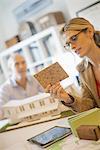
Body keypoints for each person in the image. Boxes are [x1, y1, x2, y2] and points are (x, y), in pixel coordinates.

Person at [46, 17, 100, 112]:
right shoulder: (82, 69)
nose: (72, 47)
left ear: (90, 32)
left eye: (74, 38)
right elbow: (90, 106)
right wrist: (67, 98)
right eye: (68, 44)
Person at [0, 53, 44, 118]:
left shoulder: (34, 79)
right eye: (16, 64)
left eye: (23, 62)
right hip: (20, 120)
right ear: (10, 68)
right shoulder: (5, 88)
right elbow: (1, 110)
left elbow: (47, 92)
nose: (21, 66)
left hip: (39, 115)